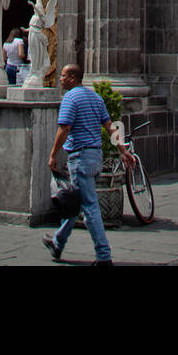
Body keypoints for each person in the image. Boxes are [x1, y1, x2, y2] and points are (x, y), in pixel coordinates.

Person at [43, 63, 132, 266]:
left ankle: (103, 257)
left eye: (64, 75)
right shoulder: (96, 97)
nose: (60, 78)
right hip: (95, 156)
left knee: (89, 206)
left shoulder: (70, 98)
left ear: (73, 78)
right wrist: (123, 151)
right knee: (77, 202)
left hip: (80, 157)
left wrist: (53, 154)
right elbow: (110, 127)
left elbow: (65, 128)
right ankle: (57, 243)